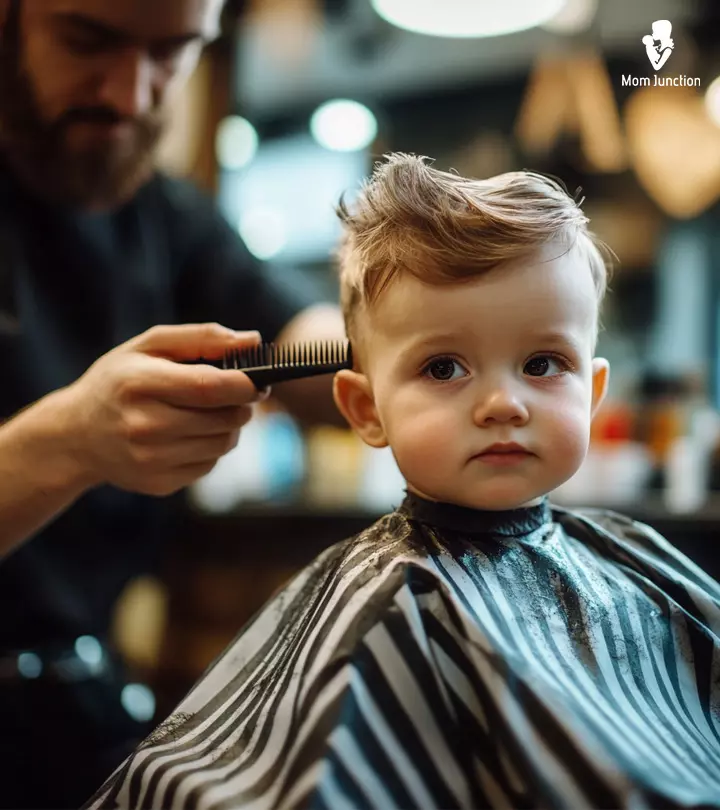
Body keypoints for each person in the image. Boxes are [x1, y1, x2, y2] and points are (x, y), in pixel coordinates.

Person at [85, 154, 720, 810]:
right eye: (444, 368)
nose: (503, 403)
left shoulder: (641, 564)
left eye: (542, 363)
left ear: (590, 394)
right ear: (365, 410)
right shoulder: (385, 604)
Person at [0, 0, 343, 806]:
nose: (130, 94)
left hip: (71, 702)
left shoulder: (168, 218)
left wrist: (420, 342)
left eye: (173, 54)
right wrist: (67, 442)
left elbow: (307, 340)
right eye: (89, 40)